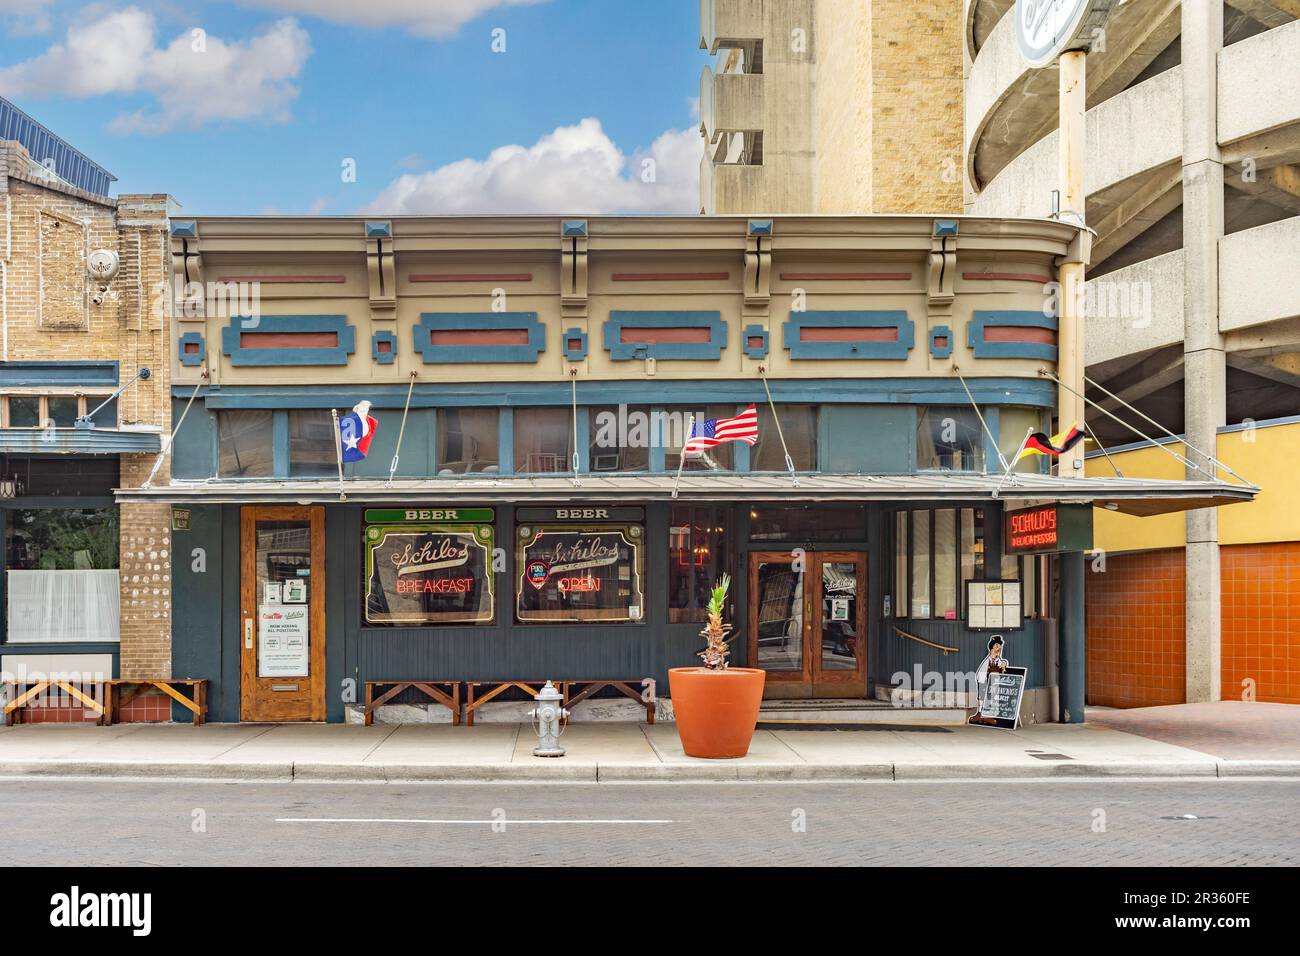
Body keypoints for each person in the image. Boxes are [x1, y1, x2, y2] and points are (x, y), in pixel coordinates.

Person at [968, 636, 1009, 726]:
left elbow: (1003, 669)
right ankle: (980, 713)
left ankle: (990, 714)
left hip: (994, 683)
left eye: (999, 647)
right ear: (991, 648)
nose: (998, 649)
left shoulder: (1000, 662)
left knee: (993, 697)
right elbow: (981, 675)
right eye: (996, 647)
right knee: (982, 696)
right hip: (985, 680)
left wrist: (1004, 665)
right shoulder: (987, 661)